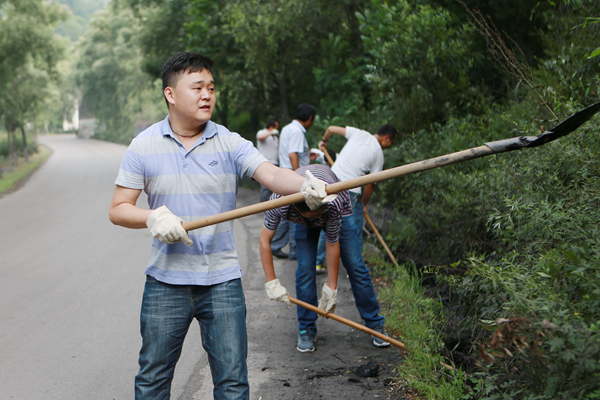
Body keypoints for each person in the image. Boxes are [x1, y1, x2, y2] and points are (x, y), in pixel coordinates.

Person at [108, 52, 331, 400]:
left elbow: (272, 174)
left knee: (232, 384)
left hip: (222, 281)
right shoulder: (143, 146)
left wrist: (305, 183)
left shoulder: (229, 141)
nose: (207, 95)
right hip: (165, 282)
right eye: (197, 87)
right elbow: (119, 209)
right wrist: (152, 217)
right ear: (170, 94)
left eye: (211, 88)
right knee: (152, 381)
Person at [259, 164, 391, 353]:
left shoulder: (332, 202)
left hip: (336, 207)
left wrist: (331, 288)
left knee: (355, 264)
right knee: (305, 269)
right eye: (313, 216)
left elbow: (332, 244)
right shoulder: (280, 202)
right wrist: (271, 282)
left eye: (318, 214)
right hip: (302, 218)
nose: (317, 219)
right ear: (297, 208)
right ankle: (306, 329)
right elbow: (265, 241)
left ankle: (375, 323)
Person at [318, 124, 397, 260]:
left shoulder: (359, 133)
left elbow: (331, 129)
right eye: (392, 142)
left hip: (330, 183)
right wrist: (365, 204)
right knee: (349, 229)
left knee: (330, 223)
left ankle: (319, 261)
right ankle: (354, 264)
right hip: (349, 190)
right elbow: (370, 184)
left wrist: (324, 141)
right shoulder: (378, 153)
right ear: (386, 138)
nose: (390, 145)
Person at [269, 103, 317, 260]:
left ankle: (277, 244)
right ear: (310, 119)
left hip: (285, 173)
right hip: (292, 175)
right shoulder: (297, 131)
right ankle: (294, 250)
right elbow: (292, 155)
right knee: (296, 214)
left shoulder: (287, 128)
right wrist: (300, 179)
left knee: (287, 211)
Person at [256, 119, 280, 202]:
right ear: (271, 127)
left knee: (275, 187)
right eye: (276, 127)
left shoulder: (275, 137)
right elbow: (260, 137)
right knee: (265, 187)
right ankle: (264, 206)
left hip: (275, 163)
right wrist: (271, 132)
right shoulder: (262, 132)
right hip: (264, 163)